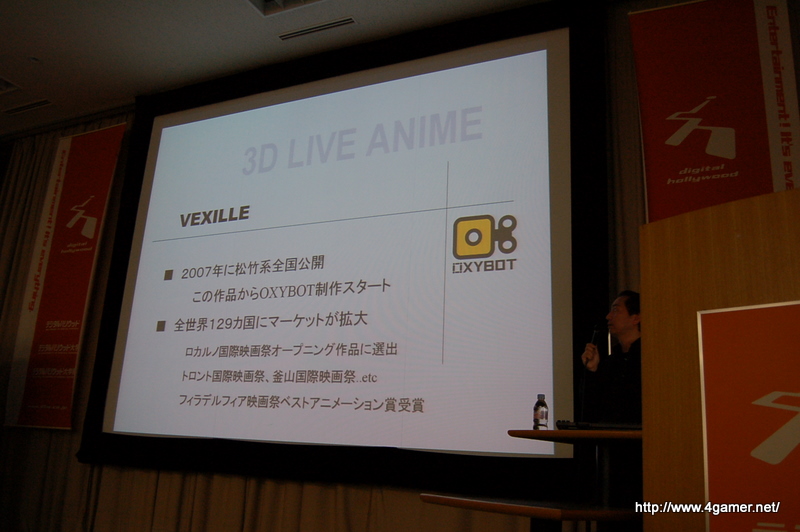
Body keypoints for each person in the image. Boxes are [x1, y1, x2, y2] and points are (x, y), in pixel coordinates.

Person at [581, 290, 642, 424]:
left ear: (635, 318)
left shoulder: (649, 359)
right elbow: (595, 409)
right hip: (611, 435)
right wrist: (593, 370)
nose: (608, 316)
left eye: (616, 310)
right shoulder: (611, 362)